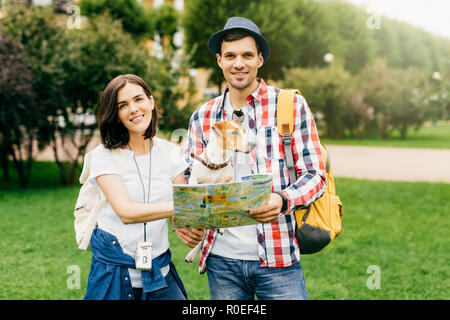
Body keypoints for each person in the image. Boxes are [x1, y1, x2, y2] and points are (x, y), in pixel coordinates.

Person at [180, 17, 327, 300]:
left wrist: (282, 200)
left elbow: (315, 175)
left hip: (278, 256)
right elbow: (191, 179)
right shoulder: (202, 116)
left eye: (247, 55)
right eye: (231, 56)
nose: (239, 63)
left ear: (260, 59)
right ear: (219, 60)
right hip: (221, 261)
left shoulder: (291, 105)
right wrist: (187, 220)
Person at [83, 74, 189, 300]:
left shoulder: (171, 153)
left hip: (161, 273)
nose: (133, 109)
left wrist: (196, 227)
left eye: (138, 99)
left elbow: (182, 220)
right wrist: (185, 206)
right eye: (123, 105)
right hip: (114, 275)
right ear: (116, 115)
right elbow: (126, 213)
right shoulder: (103, 156)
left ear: (151, 102)